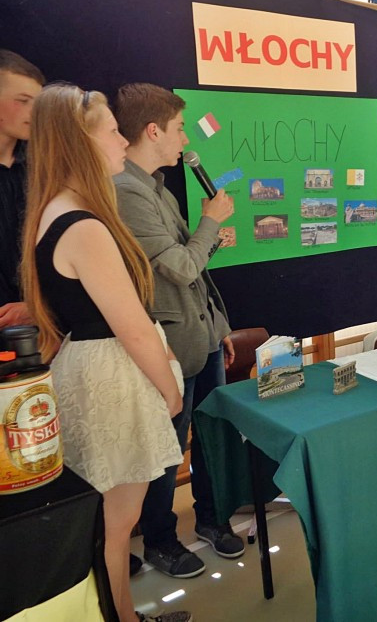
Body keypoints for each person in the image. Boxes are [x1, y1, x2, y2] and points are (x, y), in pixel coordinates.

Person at [20, 84, 190, 622]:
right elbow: (132, 326)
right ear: (80, 141)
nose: (122, 140)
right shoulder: (84, 225)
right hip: (113, 380)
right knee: (114, 529)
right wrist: (169, 391)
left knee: (109, 526)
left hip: (95, 371)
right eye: (112, 131)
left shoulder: (56, 211)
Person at [112, 83, 243, 580]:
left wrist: (218, 325)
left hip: (200, 333)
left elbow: (192, 265)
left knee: (211, 435)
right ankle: (161, 541)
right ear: (153, 131)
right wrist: (210, 222)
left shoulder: (158, 187)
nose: (186, 139)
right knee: (168, 448)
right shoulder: (126, 192)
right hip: (168, 344)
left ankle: (212, 517)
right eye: (180, 128)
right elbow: (181, 268)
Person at [0, 50, 44, 329]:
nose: (34, 113)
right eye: (23, 101)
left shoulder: (44, 170)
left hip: (43, 333)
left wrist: (39, 307)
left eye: (38, 104)